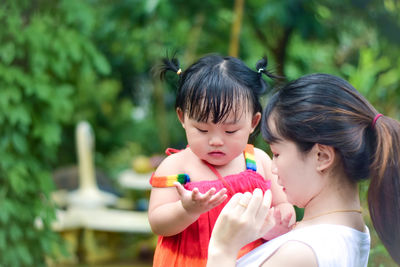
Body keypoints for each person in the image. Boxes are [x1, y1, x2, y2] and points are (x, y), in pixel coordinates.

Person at [207, 73, 400, 266]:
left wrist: (222, 249)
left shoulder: (300, 253)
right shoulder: (348, 232)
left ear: (321, 156)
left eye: (276, 153)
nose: (273, 169)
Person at [148, 54, 295, 267]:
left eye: (230, 130)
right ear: (182, 118)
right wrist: (187, 210)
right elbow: (157, 223)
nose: (216, 141)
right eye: (202, 129)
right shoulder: (175, 167)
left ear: (253, 122)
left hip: (252, 258)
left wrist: (281, 217)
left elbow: (283, 204)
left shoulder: (258, 161)